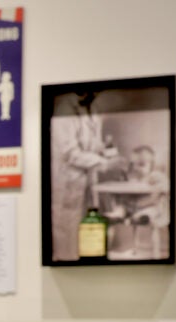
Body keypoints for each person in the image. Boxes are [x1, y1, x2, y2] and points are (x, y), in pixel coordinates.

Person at [49, 90, 125, 261]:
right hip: (68, 182)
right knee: (68, 239)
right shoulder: (65, 109)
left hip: (87, 184)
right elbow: (70, 153)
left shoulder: (93, 108)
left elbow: (94, 145)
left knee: (87, 237)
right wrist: (104, 163)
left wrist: (108, 151)